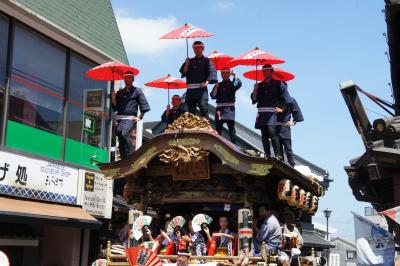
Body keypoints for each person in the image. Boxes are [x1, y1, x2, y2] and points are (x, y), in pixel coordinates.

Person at [250, 65, 292, 159]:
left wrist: (282, 109)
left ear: (272, 72)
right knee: (264, 135)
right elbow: (253, 100)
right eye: (264, 71)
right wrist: (255, 89)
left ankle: (278, 155)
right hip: (262, 113)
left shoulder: (278, 84)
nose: (265, 73)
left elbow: (288, 99)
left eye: (268, 71)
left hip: (272, 113)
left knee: (272, 132)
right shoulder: (260, 85)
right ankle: (267, 155)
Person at [111, 71, 150, 159]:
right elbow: (115, 107)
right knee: (120, 138)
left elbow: (144, 103)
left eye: (129, 77)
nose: (127, 79)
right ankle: (123, 159)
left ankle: (131, 156)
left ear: (132, 79)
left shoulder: (137, 91)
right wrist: (113, 97)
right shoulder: (120, 92)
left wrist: (140, 117)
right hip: (120, 118)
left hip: (130, 118)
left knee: (124, 133)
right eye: (125, 77)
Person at [179, 41, 217, 119]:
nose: (196, 49)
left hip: (201, 89)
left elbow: (211, 72)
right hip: (191, 90)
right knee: (190, 112)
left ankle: (207, 129)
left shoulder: (207, 61)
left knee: (203, 108)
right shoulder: (190, 61)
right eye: (195, 48)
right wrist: (186, 64)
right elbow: (184, 72)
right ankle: (192, 129)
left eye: (198, 48)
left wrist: (206, 82)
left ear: (202, 48)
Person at [210, 68, 242, 144]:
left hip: (229, 109)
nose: (224, 74)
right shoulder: (218, 84)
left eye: (226, 73)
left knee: (231, 128)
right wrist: (216, 88)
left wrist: (235, 75)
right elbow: (213, 96)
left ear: (229, 74)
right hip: (220, 109)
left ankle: (234, 145)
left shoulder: (232, 83)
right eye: (223, 73)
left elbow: (237, 84)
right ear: (221, 74)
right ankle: (217, 143)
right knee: (218, 128)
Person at [276, 97, 304, 167]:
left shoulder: (290, 100)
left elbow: (297, 112)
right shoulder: (273, 97)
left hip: (285, 127)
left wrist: (293, 122)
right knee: (277, 149)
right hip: (274, 127)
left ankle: (292, 165)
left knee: (288, 148)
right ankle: (279, 164)